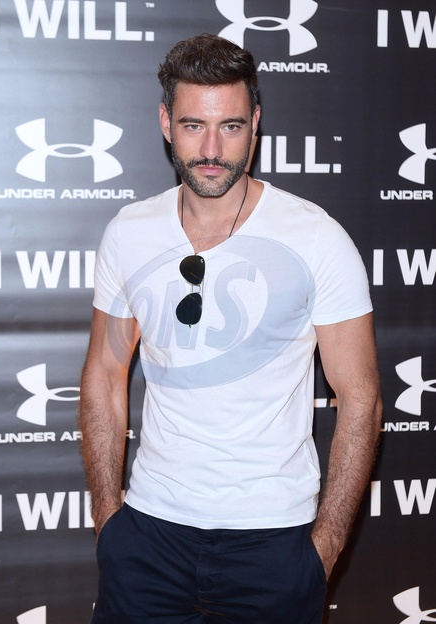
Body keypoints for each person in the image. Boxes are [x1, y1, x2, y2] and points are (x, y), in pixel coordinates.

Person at [79, 33, 382, 624]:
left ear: (256, 124)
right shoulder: (129, 231)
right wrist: (109, 521)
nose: (212, 149)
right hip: (147, 537)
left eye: (231, 126)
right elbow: (104, 373)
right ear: (166, 123)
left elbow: (362, 398)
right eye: (194, 125)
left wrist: (323, 549)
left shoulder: (316, 237)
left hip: (274, 542)